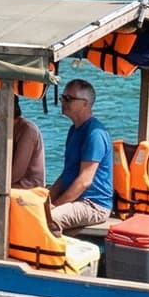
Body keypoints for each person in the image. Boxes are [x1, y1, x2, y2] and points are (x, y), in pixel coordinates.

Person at [48, 78, 114, 232]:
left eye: (68, 98)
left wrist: (55, 205)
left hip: (93, 204)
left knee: (48, 219)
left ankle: (54, 254)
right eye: (62, 97)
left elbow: (85, 181)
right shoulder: (74, 130)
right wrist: (46, 199)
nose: (62, 101)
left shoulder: (95, 134)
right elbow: (67, 174)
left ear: (85, 103)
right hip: (76, 199)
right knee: (29, 208)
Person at [0, 88, 46, 190]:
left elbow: (16, 173)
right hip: (9, 183)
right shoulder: (0, 127)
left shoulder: (27, 130)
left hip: (28, 188)